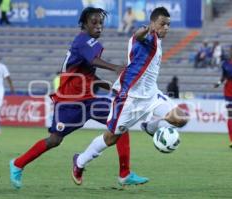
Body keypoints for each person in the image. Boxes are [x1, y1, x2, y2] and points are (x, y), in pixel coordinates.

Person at [9, 7, 148, 189]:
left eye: (101, 23)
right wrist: (115, 67)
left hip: (89, 99)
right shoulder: (83, 41)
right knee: (54, 140)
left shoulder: (88, 43)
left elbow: (86, 72)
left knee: (120, 124)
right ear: (84, 24)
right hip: (69, 101)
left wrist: (102, 84)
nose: (99, 27)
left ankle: (124, 174)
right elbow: (92, 61)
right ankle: (18, 164)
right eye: (94, 23)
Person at [72, 7, 188, 185]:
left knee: (181, 119)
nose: (166, 28)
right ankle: (79, 161)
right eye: (162, 24)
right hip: (130, 98)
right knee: (111, 138)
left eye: (168, 25)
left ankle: (150, 127)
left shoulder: (158, 39)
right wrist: (147, 29)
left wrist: (154, 30)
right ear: (153, 23)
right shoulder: (145, 36)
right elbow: (138, 34)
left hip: (151, 96)